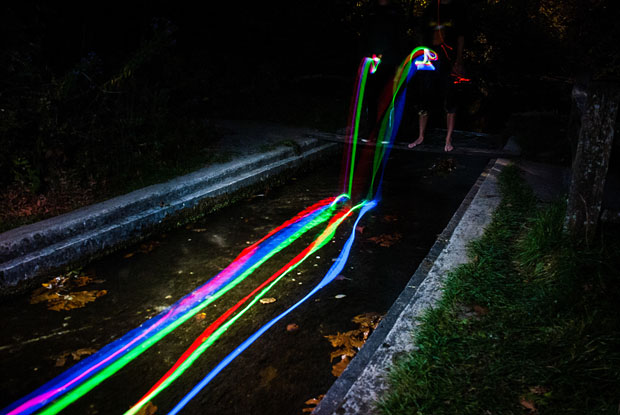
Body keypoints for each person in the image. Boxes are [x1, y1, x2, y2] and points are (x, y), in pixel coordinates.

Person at [408, 0, 468, 152]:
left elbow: (461, 37)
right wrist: (419, 56)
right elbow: (420, 32)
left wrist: (459, 60)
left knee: (450, 97)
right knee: (424, 96)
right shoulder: (431, 9)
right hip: (429, 58)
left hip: (448, 59)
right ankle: (420, 136)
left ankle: (448, 138)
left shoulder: (456, 10)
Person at [360, 0, 406, 142]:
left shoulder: (396, 11)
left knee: (387, 97)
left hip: (390, 61)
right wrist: (365, 57)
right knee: (371, 97)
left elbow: (401, 37)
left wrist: (399, 63)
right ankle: (371, 132)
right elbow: (364, 35)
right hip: (372, 62)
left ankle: (386, 133)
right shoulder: (371, 10)